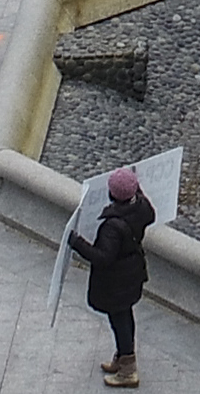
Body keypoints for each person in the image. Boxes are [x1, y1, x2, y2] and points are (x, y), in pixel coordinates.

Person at [69, 164, 153, 386]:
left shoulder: (112, 227)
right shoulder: (142, 207)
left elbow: (102, 257)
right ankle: (123, 357)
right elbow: (149, 214)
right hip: (131, 274)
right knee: (125, 316)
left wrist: (77, 243)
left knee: (119, 319)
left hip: (117, 281)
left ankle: (128, 370)